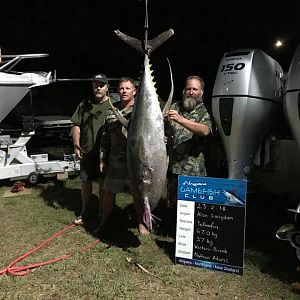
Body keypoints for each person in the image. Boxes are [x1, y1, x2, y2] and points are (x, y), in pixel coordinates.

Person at [94, 77, 150, 236]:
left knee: (138, 195)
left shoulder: (141, 112)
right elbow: (105, 137)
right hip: (115, 162)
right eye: (121, 89)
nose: (124, 91)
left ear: (135, 91)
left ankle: (142, 224)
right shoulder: (111, 112)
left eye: (127, 88)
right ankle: (103, 223)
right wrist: (102, 158)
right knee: (109, 194)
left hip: (136, 163)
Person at [165, 75, 212, 207]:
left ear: (201, 92)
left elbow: (205, 131)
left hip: (193, 172)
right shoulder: (175, 106)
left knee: (190, 207)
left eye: (194, 89)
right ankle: (169, 226)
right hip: (173, 168)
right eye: (188, 89)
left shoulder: (205, 110)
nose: (190, 92)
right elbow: (165, 128)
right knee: (172, 204)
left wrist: (180, 119)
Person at [71, 74, 111, 225]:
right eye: (95, 85)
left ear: (107, 88)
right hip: (87, 151)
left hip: (105, 153)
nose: (98, 87)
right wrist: (76, 145)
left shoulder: (113, 105)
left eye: (101, 85)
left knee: (103, 183)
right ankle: (84, 211)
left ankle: (102, 211)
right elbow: (76, 125)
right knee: (85, 182)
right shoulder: (85, 104)